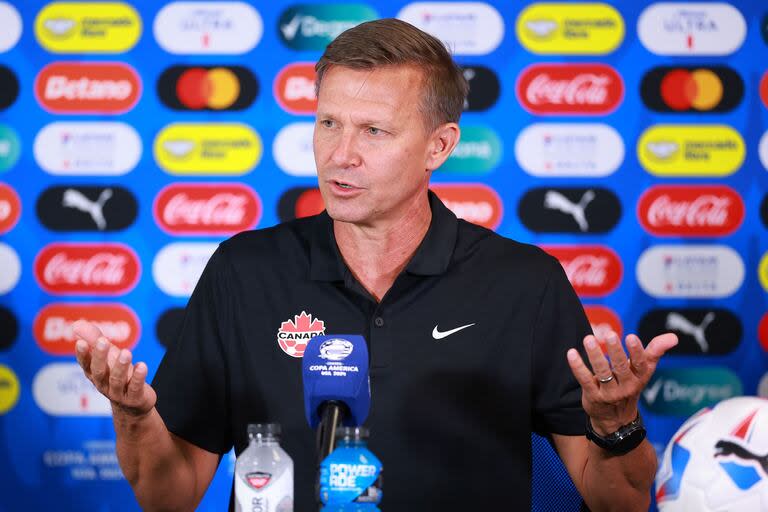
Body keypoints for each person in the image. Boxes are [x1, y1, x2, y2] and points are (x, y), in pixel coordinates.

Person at [73, 18, 677, 511]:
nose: (341, 154)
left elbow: (619, 502)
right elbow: (168, 495)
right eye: (328, 122)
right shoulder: (243, 271)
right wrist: (133, 417)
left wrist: (617, 423)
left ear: (439, 146)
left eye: (374, 131)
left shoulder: (525, 284)